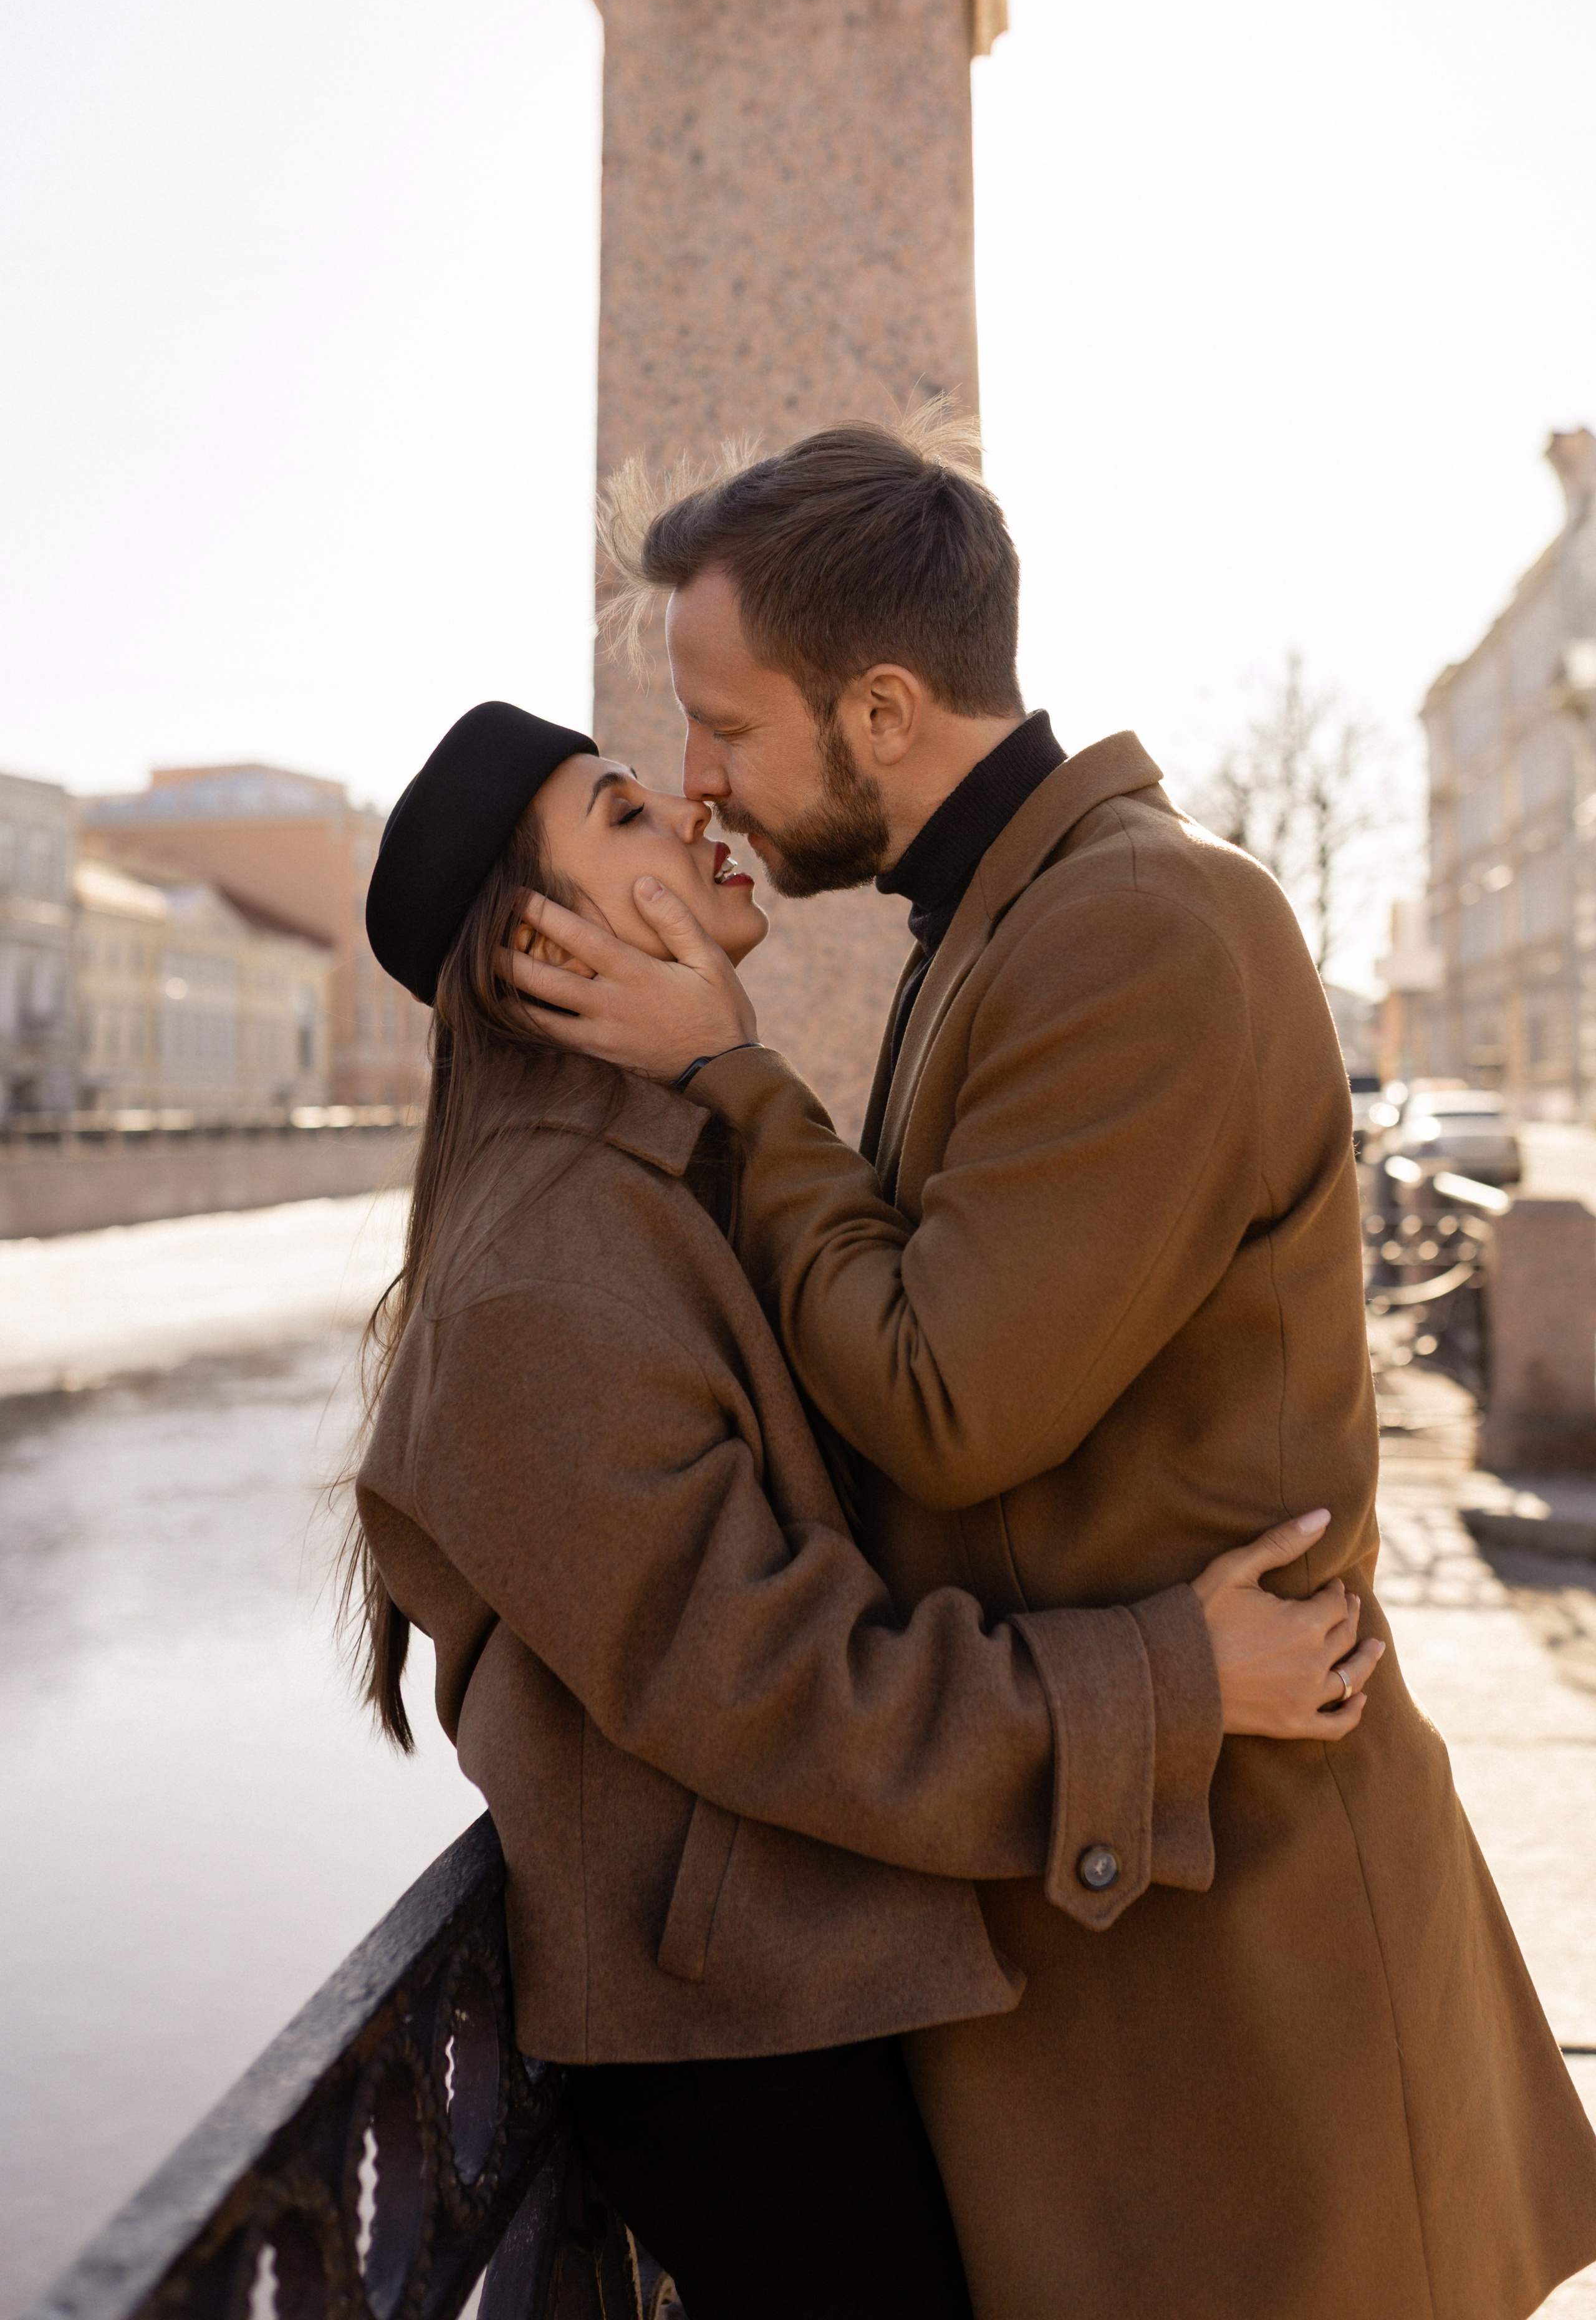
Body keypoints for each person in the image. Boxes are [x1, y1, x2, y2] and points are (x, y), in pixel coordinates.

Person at [502, 415, 1596, 2320]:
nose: (700, 787)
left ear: (889, 711)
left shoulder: (1140, 926)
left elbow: (949, 1399)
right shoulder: (1015, 918)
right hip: (1143, 1917)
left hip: (1249, 1983)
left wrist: (734, 1075)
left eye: (730, 728)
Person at [349, 700, 1379, 2320]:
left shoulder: (641, 1186)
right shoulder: (545, 1269)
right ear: (535, 942)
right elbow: (784, 1689)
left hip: (799, 2009)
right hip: (751, 2072)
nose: (693, 812)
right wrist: (1179, 1677)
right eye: (623, 813)